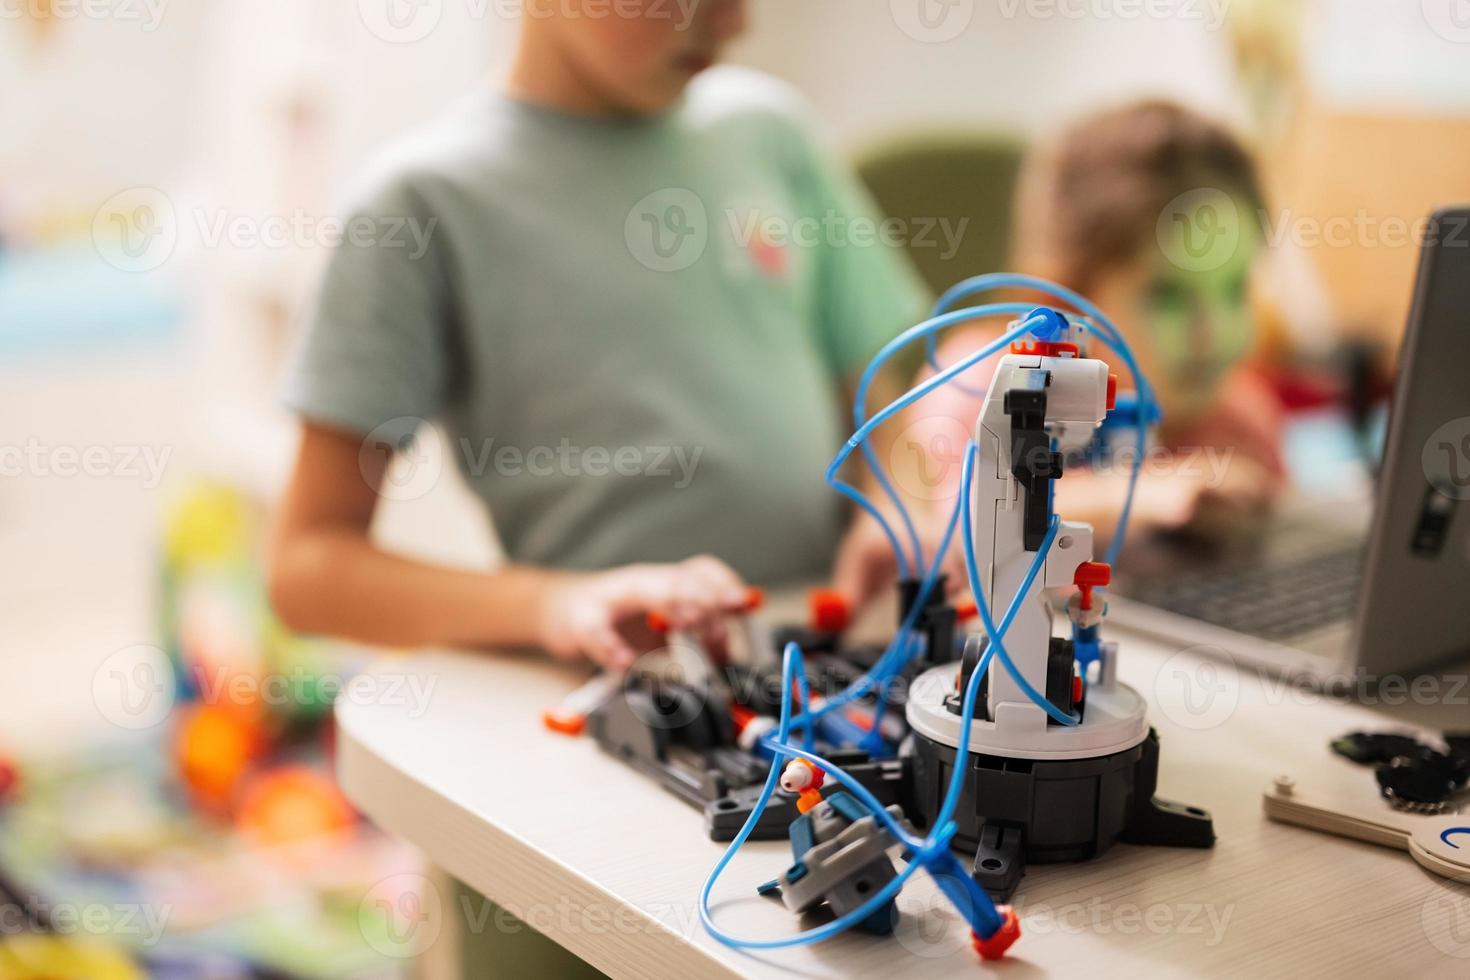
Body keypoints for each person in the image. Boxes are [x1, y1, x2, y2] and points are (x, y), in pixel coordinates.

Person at [266, 0, 930, 672]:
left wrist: (895, 506)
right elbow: (306, 567)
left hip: (831, 659)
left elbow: (883, 410)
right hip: (613, 686)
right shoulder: (420, 203)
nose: (734, 22)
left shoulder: (772, 134)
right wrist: (553, 603)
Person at [915, 100, 1285, 548]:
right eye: (1167, 296)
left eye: (1234, 290)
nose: (1213, 333)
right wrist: (1133, 495)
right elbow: (946, 525)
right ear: (1067, 292)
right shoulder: (979, 385)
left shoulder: (1238, 417)